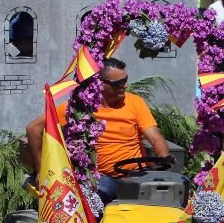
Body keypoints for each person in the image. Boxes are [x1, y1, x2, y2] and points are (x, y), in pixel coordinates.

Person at [23, 58, 171, 204]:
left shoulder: (135, 102)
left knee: (168, 199)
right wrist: (41, 170)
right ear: (100, 84)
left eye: (125, 80)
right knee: (93, 204)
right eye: (118, 83)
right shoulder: (78, 107)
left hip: (137, 174)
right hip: (102, 178)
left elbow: (155, 136)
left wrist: (164, 156)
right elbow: (33, 128)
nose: (125, 86)